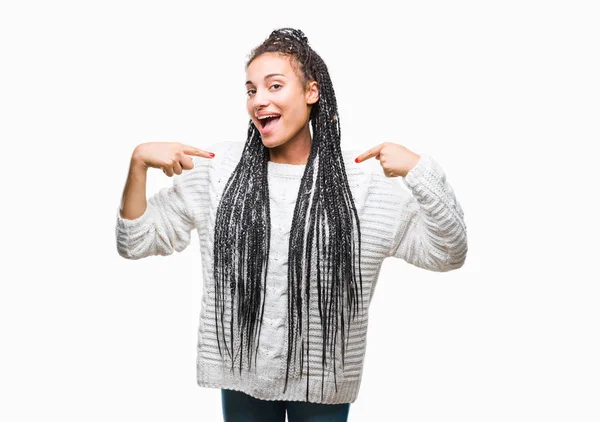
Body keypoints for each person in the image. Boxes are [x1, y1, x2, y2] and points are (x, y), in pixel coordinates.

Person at [116, 27, 468, 422]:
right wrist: (138, 162)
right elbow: (136, 241)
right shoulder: (218, 174)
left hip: (323, 385)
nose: (259, 100)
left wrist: (420, 171)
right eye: (251, 90)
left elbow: (448, 252)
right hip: (241, 377)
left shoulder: (364, 186)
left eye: (274, 86)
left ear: (311, 92)